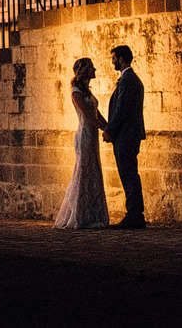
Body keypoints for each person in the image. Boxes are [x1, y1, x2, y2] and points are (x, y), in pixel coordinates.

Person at [52, 57, 109, 229]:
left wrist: (109, 126)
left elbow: (97, 113)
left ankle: (93, 214)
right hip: (84, 135)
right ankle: (79, 215)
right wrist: (104, 129)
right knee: (83, 171)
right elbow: (88, 116)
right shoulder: (76, 91)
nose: (95, 70)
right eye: (92, 68)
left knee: (94, 171)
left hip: (92, 135)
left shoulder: (87, 92)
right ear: (83, 71)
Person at [103, 44, 147, 228]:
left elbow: (122, 109)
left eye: (113, 58)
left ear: (121, 58)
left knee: (128, 173)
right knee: (129, 173)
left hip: (126, 135)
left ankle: (135, 215)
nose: (112, 61)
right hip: (128, 134)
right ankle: (135, 214)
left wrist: (110, 130)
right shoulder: (129, 79)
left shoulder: (128, 80)